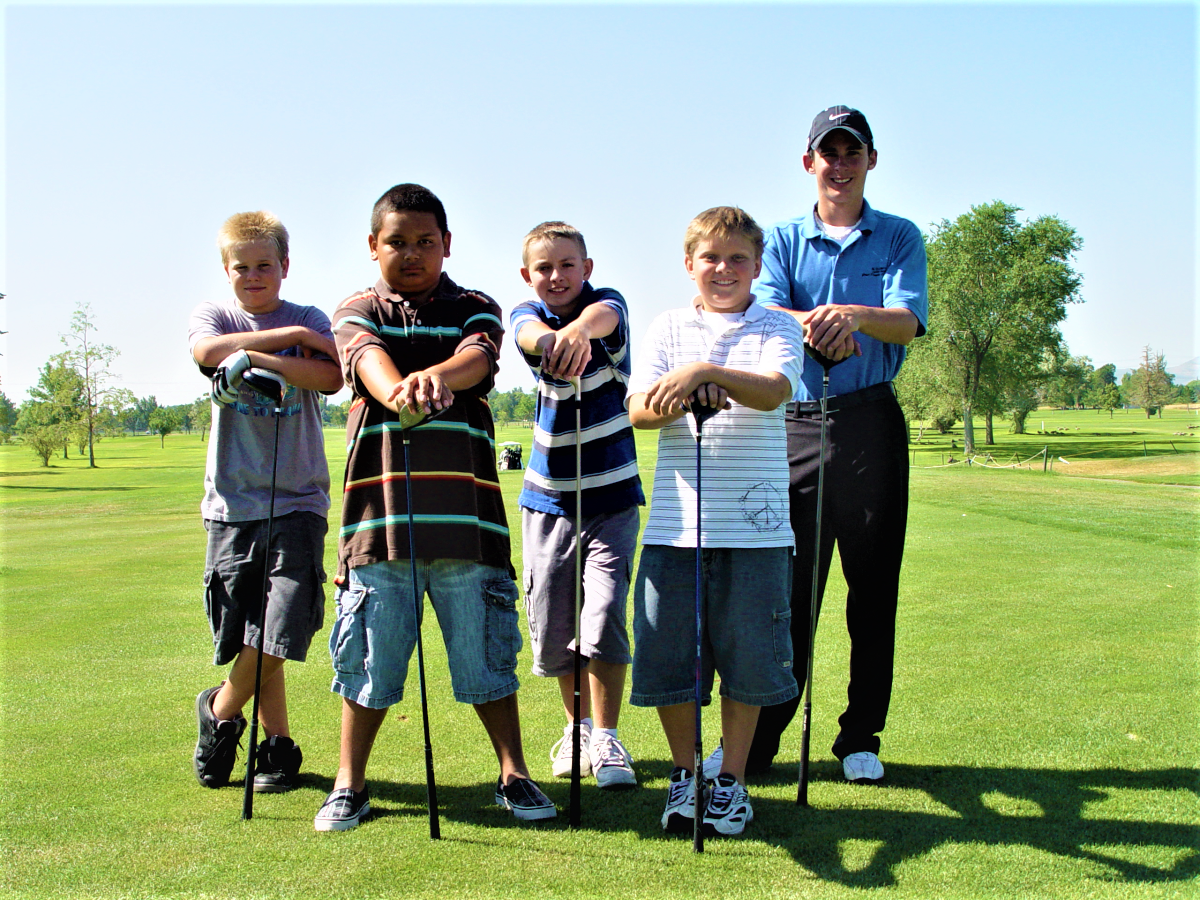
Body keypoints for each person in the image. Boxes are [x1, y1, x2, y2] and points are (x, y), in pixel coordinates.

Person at [316, 183, 554, 832]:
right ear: (373, 246)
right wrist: (404, 391)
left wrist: (436, 379)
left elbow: (477, 359)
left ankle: (514, 774)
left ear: (447, 244)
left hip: (468, 528)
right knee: (367, 665)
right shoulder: (356, 309)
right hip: (380, 526)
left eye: (426, 242)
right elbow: (371, 369)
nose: (413, 253)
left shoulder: (475, 306)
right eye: (397, 242)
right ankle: (349, 783)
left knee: (486, 664)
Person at [744, 105, 928, 784]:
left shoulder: (900, 237)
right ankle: (762, 735)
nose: (840, 166)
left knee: (871, 589)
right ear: (809, 163)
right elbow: (763, 313)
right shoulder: (784, 240)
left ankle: (859, 737)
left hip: (869, 424)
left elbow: (906, 323)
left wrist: (851, 316)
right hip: (795, 423)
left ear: (871, 161)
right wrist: (821, 322)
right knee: (790, 590)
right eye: (830, 154)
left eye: (853, 154)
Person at [626, 206, 804, 837]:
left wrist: (706, 373)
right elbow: (640, 411)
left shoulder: (778, 324)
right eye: (711, 258)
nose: (723, 269)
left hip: (755, 531)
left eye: (737, 259)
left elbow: (774, 389)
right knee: (670, 656)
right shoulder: (668, 327)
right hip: (677, 526)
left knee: (749, 660)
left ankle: (730, 779)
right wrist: (680, 390)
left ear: (757, 266)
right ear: (689, 264)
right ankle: (685, 776)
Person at [188, 211, 343, 793]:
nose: (253, 276)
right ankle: (276, 746)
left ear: (285, 266)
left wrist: (264, 358)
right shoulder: (216, 315)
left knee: (285, 622)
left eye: (264, 265)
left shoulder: (309, 317)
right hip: (233, 500)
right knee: (252, 628)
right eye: (241, 267)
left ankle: (222, 710)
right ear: (226, 269)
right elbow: (207, 350)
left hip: (299, 496)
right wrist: (287, 343)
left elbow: (330, 375)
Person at [510, 222, 644, 788]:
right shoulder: (526, 314)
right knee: (552, 624)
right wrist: (551, 342)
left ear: (586, 268)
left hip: (611, 495)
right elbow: (525, 334)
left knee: (604, 614)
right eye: (545, 268)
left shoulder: (608, 305)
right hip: (548, 499)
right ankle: (578, 727)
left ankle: (608, 737)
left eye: (568, 265)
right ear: (528, 276)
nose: (557, 276)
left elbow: (601, 318)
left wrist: (577, 336)